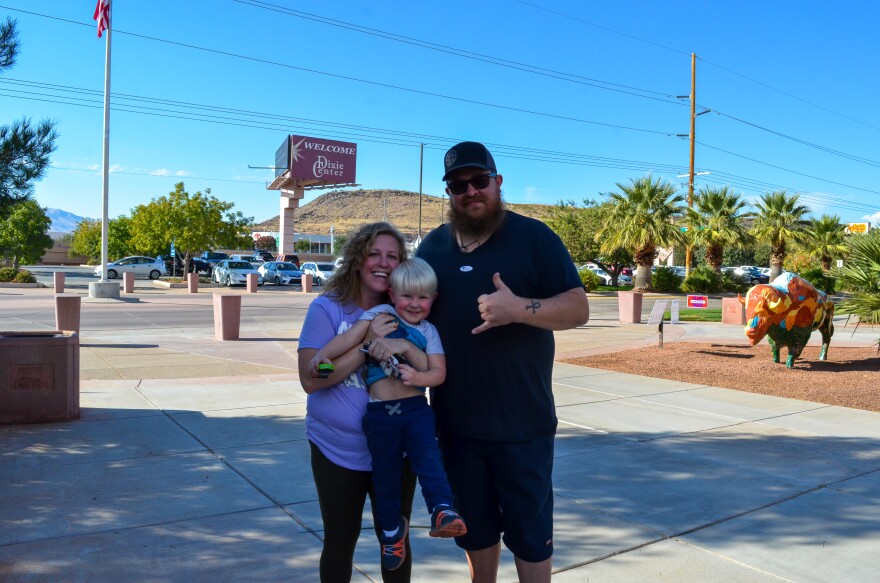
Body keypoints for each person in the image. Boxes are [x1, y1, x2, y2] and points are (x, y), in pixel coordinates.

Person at [416, 141, 590, 583]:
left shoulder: (535, 238)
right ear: (450, 193)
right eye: (458, 185)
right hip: (455, 429)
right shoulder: (432, 249)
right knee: (474, 535)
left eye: (479, 181)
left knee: (531, 540)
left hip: (523, 428)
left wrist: (518, 310)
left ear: (498, 181)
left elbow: (577, 308)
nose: (470, 191)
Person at [309, 257, 467, 571]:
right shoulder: (378, 316)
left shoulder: (429, 332)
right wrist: (322, 357)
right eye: (407, 296)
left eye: (423, 297)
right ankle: (392, 532)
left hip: (415, 411)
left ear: (433, 300)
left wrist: (415, 371)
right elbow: (349, 339)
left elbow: (438, 373)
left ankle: (442, 509)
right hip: (380, 415)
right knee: (385, 476)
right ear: (392, 295)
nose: (414, 304)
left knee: (428, 459)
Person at [297, 222, 418, 583]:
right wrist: (365, 345)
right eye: (374, 254)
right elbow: (312, 376)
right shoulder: (327, 310)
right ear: (357, 259)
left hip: (397, 453)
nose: (383, 263)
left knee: (395, 545)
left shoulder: (409, 311)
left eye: (393, 256)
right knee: (339, 543)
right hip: (336, 452)